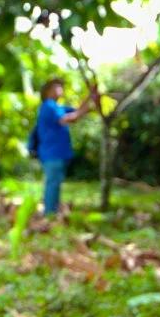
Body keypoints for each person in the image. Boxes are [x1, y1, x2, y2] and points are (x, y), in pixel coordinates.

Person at [36, 78, 95, 216]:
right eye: (58, 87)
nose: (61, 89)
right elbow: (69, 118)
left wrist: (90, 96)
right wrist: (87, 109)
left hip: (57, 153)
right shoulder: (49, 106)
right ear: (49, 90)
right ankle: (49, 214)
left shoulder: (57, 107)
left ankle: (52, 212)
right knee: (52, 184)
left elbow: (76, 111)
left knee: (55, 183)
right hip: (52, 152)